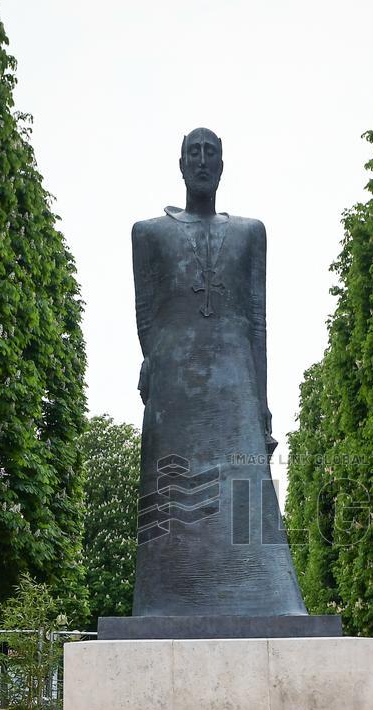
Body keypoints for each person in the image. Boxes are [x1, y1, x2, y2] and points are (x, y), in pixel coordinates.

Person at [130, 127, 307, 618]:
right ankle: (165, 603)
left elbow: (258, 321)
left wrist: (263, 406)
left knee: (244, 488)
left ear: (222, 166)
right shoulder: (148, 233)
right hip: (176, 388)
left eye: (211, 153)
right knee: (172, 495)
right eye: (194, 153)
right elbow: (146, 313)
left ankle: (263, 598)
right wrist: (161, 364)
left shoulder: (250, 233)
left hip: (236, 385)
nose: (203, 161)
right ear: (181, 164)